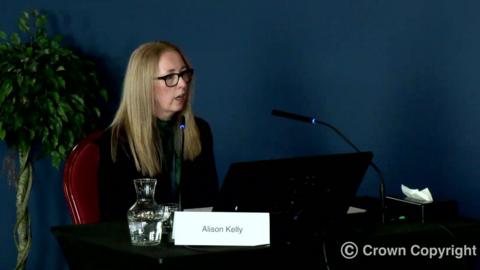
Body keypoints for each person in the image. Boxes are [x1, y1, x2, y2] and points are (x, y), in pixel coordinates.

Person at [96, 41, 219, 221]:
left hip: (194, 244)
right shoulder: (116, 140)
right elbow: (114, 218)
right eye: (170, 78)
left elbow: (210, 202)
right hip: (143, 243)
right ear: (144, 86)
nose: (183, 84)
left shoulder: (199, 130)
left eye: (184, 74)